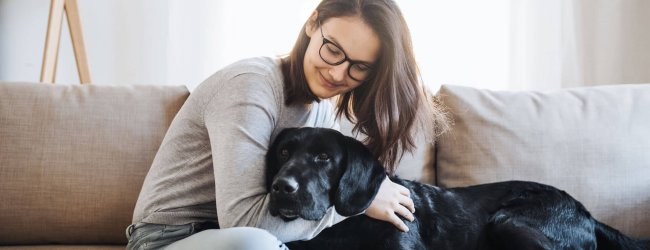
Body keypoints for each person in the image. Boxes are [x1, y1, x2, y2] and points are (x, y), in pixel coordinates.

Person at [126, 0, 447, 249]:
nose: (337, 73)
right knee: (257, 243)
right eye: (333, 49)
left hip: (243, 236)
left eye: (358, 66)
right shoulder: (251, 85)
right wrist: (361, 206)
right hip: (169, 238)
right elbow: (244, 222)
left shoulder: (320, 110)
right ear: (311, 23)